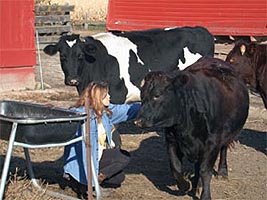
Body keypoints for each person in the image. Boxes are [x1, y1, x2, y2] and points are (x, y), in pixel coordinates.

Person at [63, 81, 140, 197]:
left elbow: (126, 110)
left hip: (99, 155)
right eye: (106, 95)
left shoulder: (105, 112)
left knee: (118, 178)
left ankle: (95, 179)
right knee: (122, 157)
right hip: (84, 160)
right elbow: (66, 115)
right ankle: (87, 183)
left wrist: (150, 104)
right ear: (98, 97)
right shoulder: (80, 114)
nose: (109, 97)